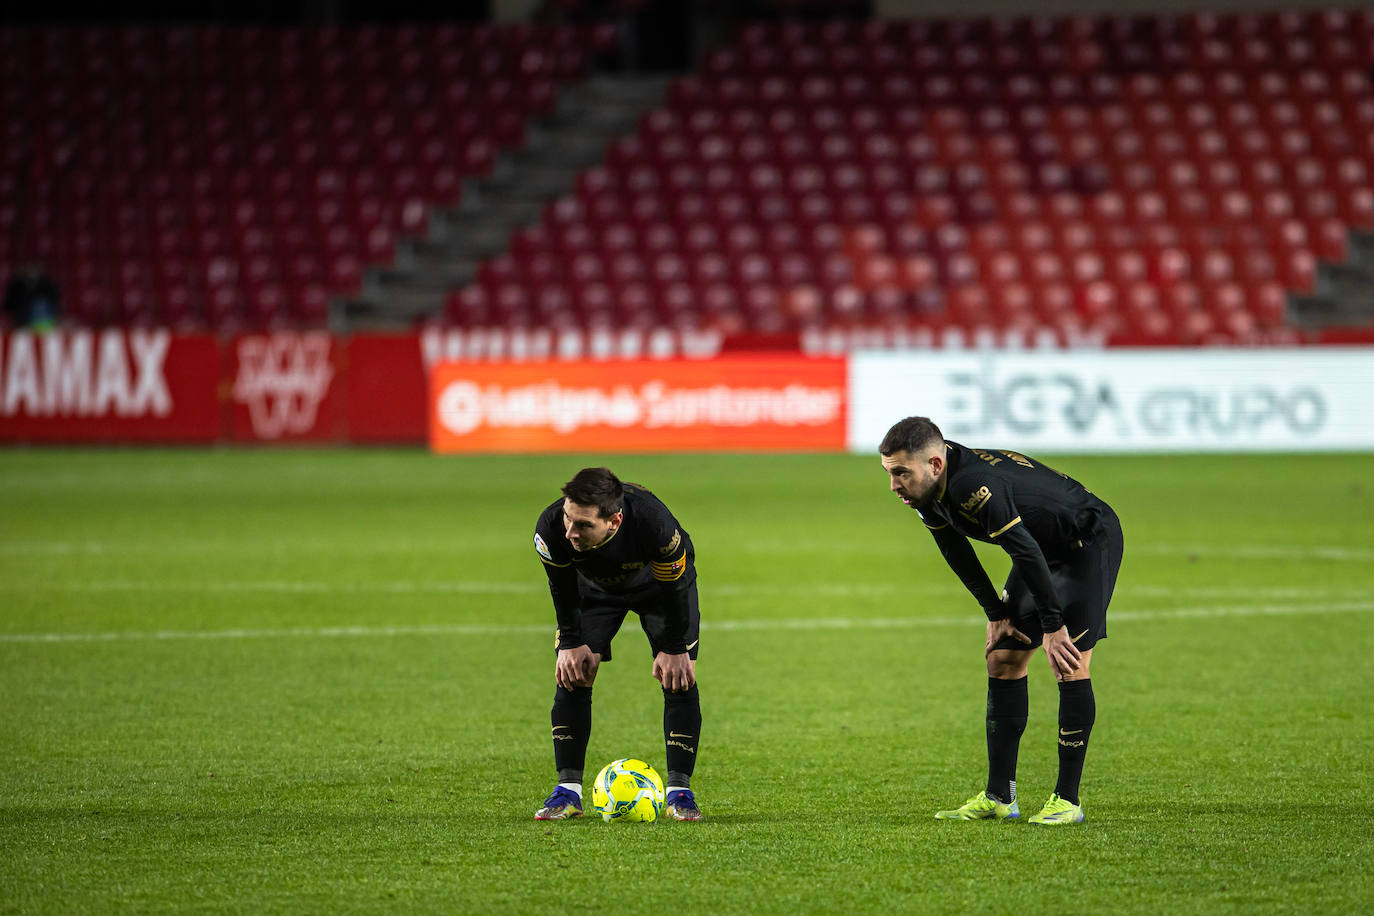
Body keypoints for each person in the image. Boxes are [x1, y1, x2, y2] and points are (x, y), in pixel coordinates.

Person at [879, 416, 1124, 825]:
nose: (894, 485)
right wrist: (995, 613)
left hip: (1085, 541)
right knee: (1003, 658)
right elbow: (954, 548)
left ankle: (1067, 799)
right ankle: (999, 796)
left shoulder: (969, 486)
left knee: (1069, 661)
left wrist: (1052, 625)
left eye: (901, 473)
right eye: (889, 473)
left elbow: (1024, 551)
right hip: (1039, 549)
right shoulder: (928, 489)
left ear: (935, 465)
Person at [532, 467, 703, 821]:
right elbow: (561, 588)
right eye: (568, 519)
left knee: (679, 676)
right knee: (572, 672)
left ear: (614, 520)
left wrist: (674, 647)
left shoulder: (656, 525)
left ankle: (680, 794)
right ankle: (567, 792)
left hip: (661, 589)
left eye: (582, 525)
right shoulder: (550, 528)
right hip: (594, 590)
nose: (570, 532)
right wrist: (572, 641)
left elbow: (676, 586)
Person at [3, 263, 61, 332]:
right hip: (21, 319)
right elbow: (8, 304)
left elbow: (55, 300)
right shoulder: (16, 285)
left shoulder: (46, 284)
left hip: (43, 322)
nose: (31, 271)